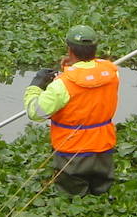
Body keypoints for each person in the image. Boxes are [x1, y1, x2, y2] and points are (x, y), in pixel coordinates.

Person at [24, 25, 119, 196]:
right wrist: (73, 66)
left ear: (69, 49)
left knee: (73, 200)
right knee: (102, 196)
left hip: (72, 153)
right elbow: (95, 68)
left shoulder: (61, 85)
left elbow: (36, 112)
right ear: (95, 48)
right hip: (103, 148)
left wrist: (35, 86)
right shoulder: (112, 73)